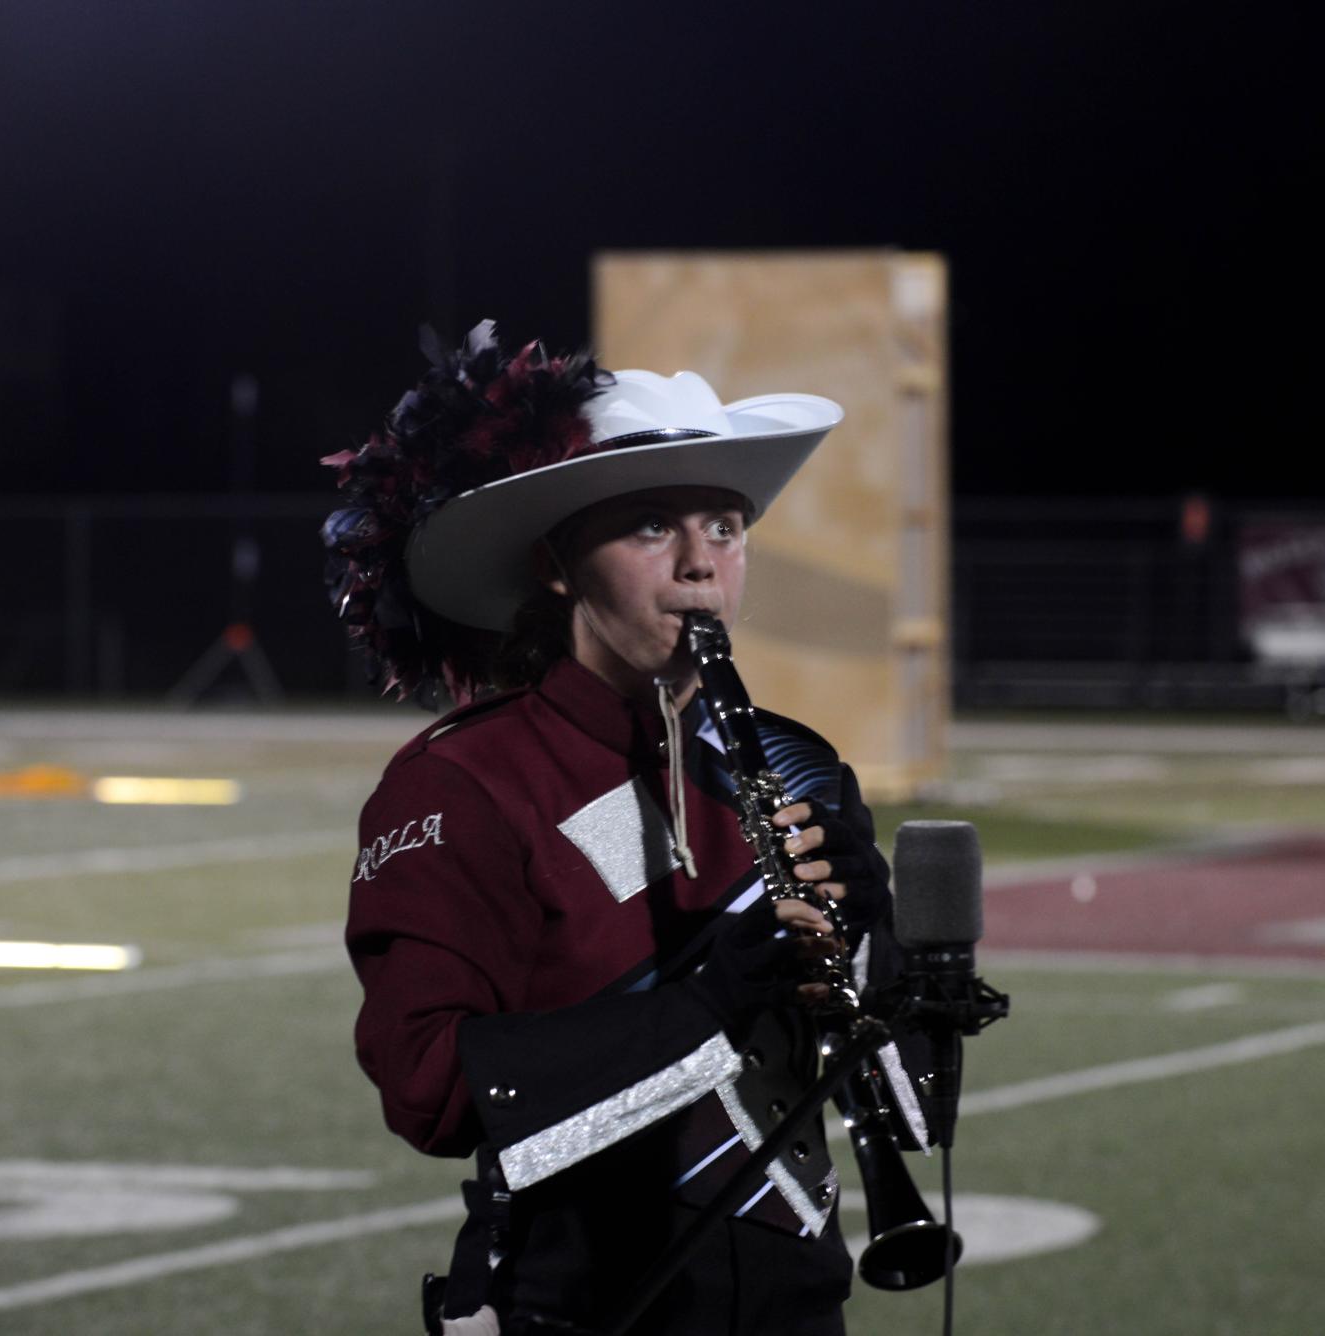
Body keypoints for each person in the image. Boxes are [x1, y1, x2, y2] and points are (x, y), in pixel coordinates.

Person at [324, 323, 928, 1335]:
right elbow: (426, 1086)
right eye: (652, 526)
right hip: (572, 1310)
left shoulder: (796, 765)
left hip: (796, 1307)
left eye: (726, 527)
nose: (702, 566)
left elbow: (914, 1106)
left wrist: (877, 953)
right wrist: (711, 1002)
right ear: (559, 562)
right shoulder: (466, 782)